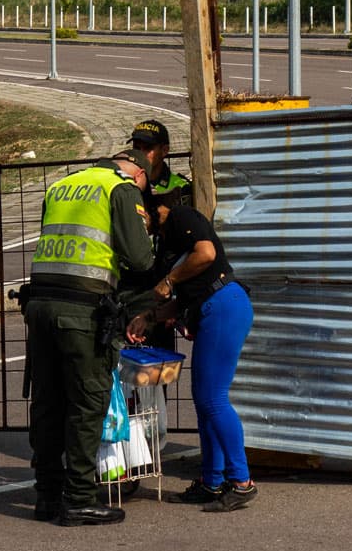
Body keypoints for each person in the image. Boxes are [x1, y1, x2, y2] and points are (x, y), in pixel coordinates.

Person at [22, 149, 158, 526]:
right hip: (82, 310)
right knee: (87, 402)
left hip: (41, 304)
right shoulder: (120, 188)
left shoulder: (61, 186)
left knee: (48, 402)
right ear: (139, 176)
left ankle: (46, 496)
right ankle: (80, 498)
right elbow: (139, 259)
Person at [132, 187, 256, 511]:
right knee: (203, 400)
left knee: (213, 398)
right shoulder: (164, 242)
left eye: (136, 216)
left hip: (223, 304)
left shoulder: (181, 217)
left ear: (148, 210)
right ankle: (212, 481)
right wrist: (147, 318)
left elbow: (207, 254)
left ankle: (241, 482)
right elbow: (178, 299)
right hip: (209, 308)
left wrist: (170, 281)